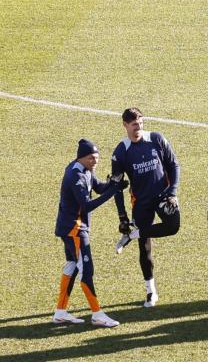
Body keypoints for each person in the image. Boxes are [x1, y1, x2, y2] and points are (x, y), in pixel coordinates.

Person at [109, 108, 179, 308]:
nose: (137, 127)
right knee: (145, 247)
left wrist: (172, 191)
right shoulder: (121, 152)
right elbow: (117, 187)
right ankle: (151, 292)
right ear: (125, 125)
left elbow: (174, 165)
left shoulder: (156, 139)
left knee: (173, 226)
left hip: (164, 197)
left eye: (140, 123)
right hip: (141, 202)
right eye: (133, 125)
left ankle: (133, 235)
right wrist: (122, 216)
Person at [54, 138, 125, 327]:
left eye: (97, 157)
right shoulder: (75, 176)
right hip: (74, 229)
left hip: (71, 227)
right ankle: (97, 314)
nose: (96, 161)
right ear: (82, 157)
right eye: (92, 158)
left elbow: (99, 187)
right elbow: (86, 206)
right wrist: (113, 193)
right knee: (87, 270)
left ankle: (60, 312)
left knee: (72, 266)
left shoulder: (85, 170)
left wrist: (112, 184)